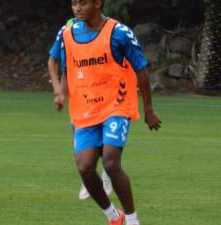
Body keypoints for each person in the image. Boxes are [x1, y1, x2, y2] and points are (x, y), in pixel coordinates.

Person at [54, 0, 162, 225]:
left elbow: (141, 71)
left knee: (111, 162)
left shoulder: (119, 33)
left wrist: (149, 109)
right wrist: (61, 92)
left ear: (97, 3)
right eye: (74, 3)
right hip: (86, 109)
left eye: (82, 3)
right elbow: (66, 68)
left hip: (117, 104)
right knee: (85, 167)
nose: (77, 8)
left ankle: (132, 220)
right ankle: (114, 216)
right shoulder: (67, 34)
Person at [47, 16, 113, 200]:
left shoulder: (105, 27)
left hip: (102, 90)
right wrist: (59, 92)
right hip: (78, 90)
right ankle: (88, 177)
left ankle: (108, 173)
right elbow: (56, 63)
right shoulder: (66, 29)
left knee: (104, 134)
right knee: (78, 133)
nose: (78, 8)